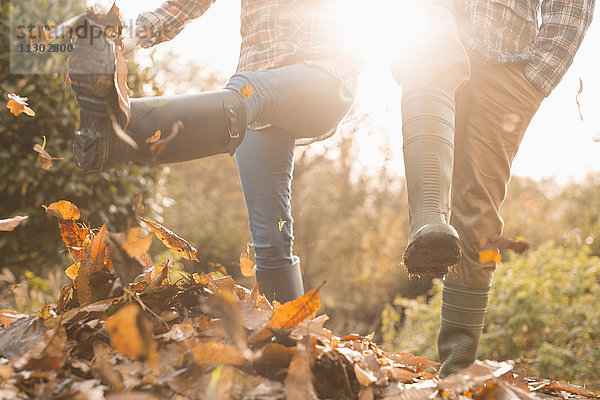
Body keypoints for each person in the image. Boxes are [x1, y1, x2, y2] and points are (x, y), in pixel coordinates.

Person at [68, 0, 361, 303]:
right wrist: (124, 40)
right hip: (253, 105)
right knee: (270, 243)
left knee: (246, 90)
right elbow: (188, 4)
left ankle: (119, 132)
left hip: (322, 76)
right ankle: (288, 338)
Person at [392, 0, 594, 376]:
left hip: (508, 62)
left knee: (481, 219)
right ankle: (427, 219)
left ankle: (456, 369)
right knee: (432, 39)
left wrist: (536, 78)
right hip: (432, 26)